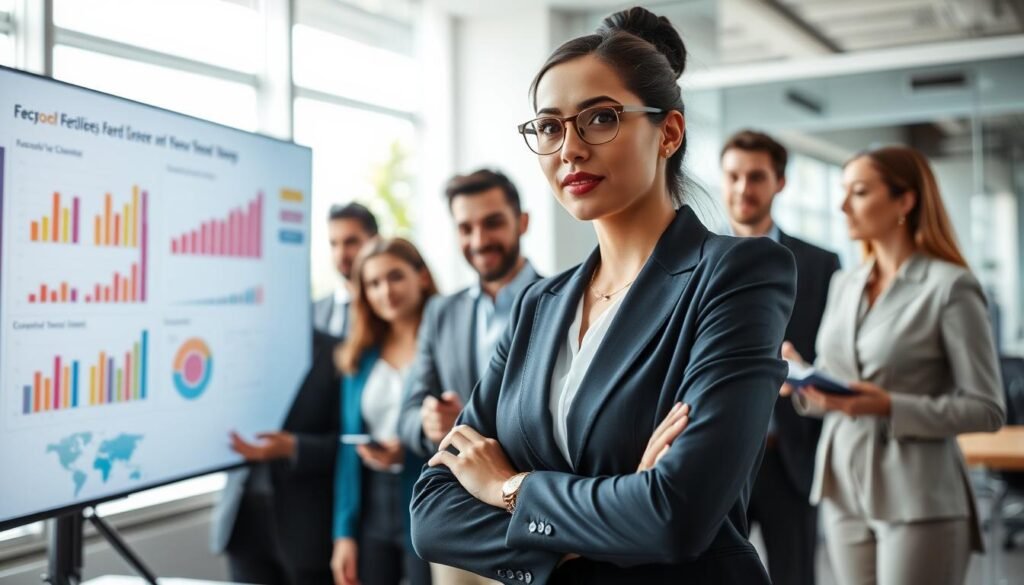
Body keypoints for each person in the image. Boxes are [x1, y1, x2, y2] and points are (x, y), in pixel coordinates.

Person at [409, 7, 796, 584]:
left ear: (668, 132)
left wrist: (509, 487)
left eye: (600, 118)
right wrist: (614, 508)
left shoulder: (737, 273)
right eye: (549, 126)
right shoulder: (539, 305)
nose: (569, 148)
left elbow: (674, 516)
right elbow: (432, 514)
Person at [785, 145, 1005, 585]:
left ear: (905, 201)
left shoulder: (951, 287)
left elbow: (987, 409)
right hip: (843, 486)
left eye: (860, 192)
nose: (843, 205)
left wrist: (889, 406)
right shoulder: (844, 282)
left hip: (918, 494)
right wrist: (801, 381)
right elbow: (840, 382)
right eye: (844, 191)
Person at [398, 169, 540, 585]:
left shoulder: (564, 300)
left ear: (522, 222)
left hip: (529, 516)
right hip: (458, 523)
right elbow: (408, 410)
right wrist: (427, 423)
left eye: (493, 222)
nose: (479, 240)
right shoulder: (441, 313)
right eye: (466, 228)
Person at [720, 129, 840, 585]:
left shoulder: (821, 265)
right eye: (733, 176)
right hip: (720, 454)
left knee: (796, 575)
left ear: (780, 183)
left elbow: (838, 359)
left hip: (790, 452)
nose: (742, 189)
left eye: (756, 177)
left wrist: (806, 374)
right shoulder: (696, 260)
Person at [331, 238, 438, 585]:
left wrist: (407, 451)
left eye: (395, 277)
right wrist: (343, 533)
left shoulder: (442, 343)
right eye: (373, 283)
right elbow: (347, 452)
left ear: (420, 276)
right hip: (372, 505)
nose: (385, 291)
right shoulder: (360, 355)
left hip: (429, 497)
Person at [210, 330, 344, 585]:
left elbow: (349, 444)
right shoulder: (230, 341)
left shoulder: (335, 350)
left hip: (304, 524)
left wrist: (293, 448)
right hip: (242, 517)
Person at [314, 203, 379, 338]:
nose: (341, 254)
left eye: (351, 242)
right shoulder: (314, 311)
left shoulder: (388, 308)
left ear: (375, 241)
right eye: (334, 244)